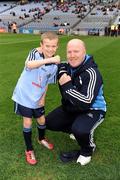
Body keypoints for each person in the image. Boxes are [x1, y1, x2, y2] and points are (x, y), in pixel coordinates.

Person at [46, 39, 106, 166]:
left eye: (76, 51)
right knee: (49, 122)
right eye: (69, 52)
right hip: (71, 108)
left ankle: (87, 150)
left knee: (80, 129)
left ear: (84, 51)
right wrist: (61, 70)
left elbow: (87, 102)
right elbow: (55, 64)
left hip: (92, 109)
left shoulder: (92, 73)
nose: (72, 55)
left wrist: (67, 86)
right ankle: (75, 130)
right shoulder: (67, 65)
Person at [12, 32, 60, 165]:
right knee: (27, 122)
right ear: (41, 45)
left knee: (41, 119)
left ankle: (41, 138)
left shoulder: (55, 65)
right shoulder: (35, 53)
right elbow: (29, 65)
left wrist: (43, 97)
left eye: (53, 46)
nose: (50, 49)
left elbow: (46, 83)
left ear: (57, 47)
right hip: (24, 94)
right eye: (47, 46)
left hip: (37, 96)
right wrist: (50, 59)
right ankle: (29, 149)